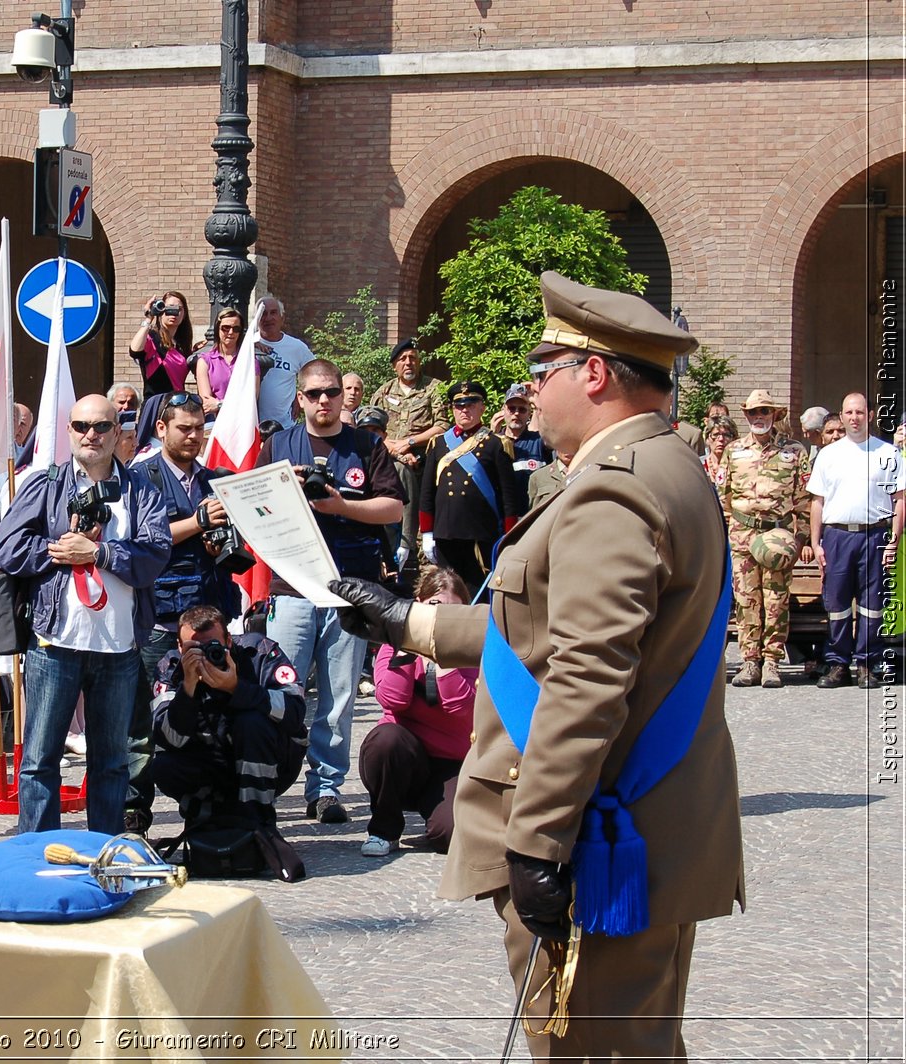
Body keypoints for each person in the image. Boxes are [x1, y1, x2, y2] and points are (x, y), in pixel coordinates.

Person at [333, 271, 741, 1062]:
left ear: (592, 373)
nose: (534, 391)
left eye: (541, 371)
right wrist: (412, 621)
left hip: (598, 830)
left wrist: (539, 842)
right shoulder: (667, 467)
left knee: (589, 1049)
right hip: (643, 812)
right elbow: (546, 628)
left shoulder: (612, 494)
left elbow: (586, 676)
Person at [0, 394, 171, 834]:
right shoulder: (45, 484)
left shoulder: (141, 489)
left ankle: (103, 855)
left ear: (118, 433)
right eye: (80, 426)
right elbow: (7, 548)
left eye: (101, 427)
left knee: (111, 761)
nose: (91, 434)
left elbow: (155, 554)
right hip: (55, 642)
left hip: (119, 647)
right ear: (69, 431)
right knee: (38, 761)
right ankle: (36, 856)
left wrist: (101, 552)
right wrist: (60, 552)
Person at [261, 359, 404, 824]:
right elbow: (253, 505)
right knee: (281, 691)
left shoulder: (366, 444)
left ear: (343, 396)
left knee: (340, 695)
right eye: (314, 393)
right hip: (292, 587)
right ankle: (266, 783)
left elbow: (393, 509)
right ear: (299, 398)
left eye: (332, 392)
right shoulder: (278, 445)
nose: (324, 401)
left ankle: (325, 789)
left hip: (349, 587)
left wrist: (341, 504)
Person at [126, 393, 244, 833]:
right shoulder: (140, 477)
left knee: (212, 707)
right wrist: (199, 521)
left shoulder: (214, 480)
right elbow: (142, 540)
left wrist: (218, 539)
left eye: (199, 428)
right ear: (162, 429)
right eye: (185, 428)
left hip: (209, 612)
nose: (194, 436)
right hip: (159, 619)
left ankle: (211, 795)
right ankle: (134, 805)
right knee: (142, 716)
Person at [150, 604, 307, 831]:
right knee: (162, 766)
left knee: (251, 722)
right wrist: (188, 689)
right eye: (194, 648)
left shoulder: (259, 652)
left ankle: (259, 819)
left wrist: (236, 688)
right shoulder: (171, 666)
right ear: (180, 647)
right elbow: (169, 739)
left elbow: (295, 712)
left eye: (213, 646)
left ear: (229, 641)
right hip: (209, 761)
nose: (204, 655)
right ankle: (209, 817)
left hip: (268, 761)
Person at [357, 566, 475, 857]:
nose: (441, 617)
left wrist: (445, 657)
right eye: (435, 607)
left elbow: (461, 707)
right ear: (420, 606)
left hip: (452, 762)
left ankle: (437, 813)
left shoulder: (474, 649)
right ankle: (383, 830)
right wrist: (411, 648)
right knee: (385, 739)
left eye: (452, 611)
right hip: (404, 756)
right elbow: (392, 700)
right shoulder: (393, 643)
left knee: (449, 837)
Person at [809, 392, 904, 689]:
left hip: (874, 533)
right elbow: (817, 502)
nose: (854, 418)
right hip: (837, 535)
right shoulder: (829, 454)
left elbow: (899, 500)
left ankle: (866, 664)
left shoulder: (887, 454)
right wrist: (816, 542)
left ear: (870, 415)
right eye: (849, 413)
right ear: (842, 414)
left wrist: (894, 541)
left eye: (860, 412)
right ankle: (838, 664)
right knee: (837, 603)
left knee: (872, 604)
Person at [720, 389, 813, 688]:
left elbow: (804, 500)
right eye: (753, 412)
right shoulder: (734, 451)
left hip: (778, 535)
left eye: (764, 412)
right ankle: (750, 661)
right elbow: (725, 498)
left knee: (776, 600)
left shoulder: (794, 451)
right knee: (746, 600)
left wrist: (802, 538)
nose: (759, 417)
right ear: (746, 416)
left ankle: (772, 661)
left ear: (775, 415)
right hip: (743, 535)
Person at [418, 380, 524, 595]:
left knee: (478, 593)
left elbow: (508, 497)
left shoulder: (496, 444)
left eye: (471, 403)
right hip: (446, 532)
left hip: (480, 533)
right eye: (459, 405)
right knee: (446, 591)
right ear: (452, 410)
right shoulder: (439, 444)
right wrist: (427, 532)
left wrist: (508, 535)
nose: (465, 409)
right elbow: (427, 492)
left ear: (482, 407)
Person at [369, 338, 450, 571]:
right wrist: (392, 446)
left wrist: (409, 442)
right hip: (388, 459)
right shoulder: (383, 391)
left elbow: (442, 425)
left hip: (423, 460)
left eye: (413, 358)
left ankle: (414, 550)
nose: (408, 363)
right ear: (395, 365)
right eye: (403, 359)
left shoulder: (433, 388)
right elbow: (370, 427)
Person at [254, 296, 314, 426]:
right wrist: (251, 347)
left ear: (282, 317)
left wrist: (301, 394)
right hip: (252, 427)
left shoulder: (296, 347)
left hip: (285, 425)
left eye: (273, 313)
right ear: (257, 318)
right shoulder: (248, 345)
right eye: (263, 313)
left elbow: (315, 372)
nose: (268, 318)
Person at [129, 292, 193, 397]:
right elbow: (134, 351)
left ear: (184, 313)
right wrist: (149, 318)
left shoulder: (182, 345)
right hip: (156, 404)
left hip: (178, 404)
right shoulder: (152, 338)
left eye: (179, 309)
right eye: (168, 309)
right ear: (161, 310)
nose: (173, 313)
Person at [495, 381, 548, 500]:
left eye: (522, 410)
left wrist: (535, 400)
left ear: (529, 412)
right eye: (512, 409)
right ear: (504, 410)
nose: (516, 413)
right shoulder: (494, 442)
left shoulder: (539, 441)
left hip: (533, 513)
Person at [194, 306, 243, 416]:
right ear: (217, 328)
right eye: (226, 328)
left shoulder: (250, 361)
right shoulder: (205, 361)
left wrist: (219, 404)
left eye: (236, 329)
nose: (231, 332)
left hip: (242, 423)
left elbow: (250, 399)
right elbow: (207, 402)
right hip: (216, 424)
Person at [702, 414, 737, 494]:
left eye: (726, 435)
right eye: (716, 435)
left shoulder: (738, 466)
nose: (721, 439)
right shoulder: (699, 465)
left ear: (734, 439)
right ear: (707, 438)